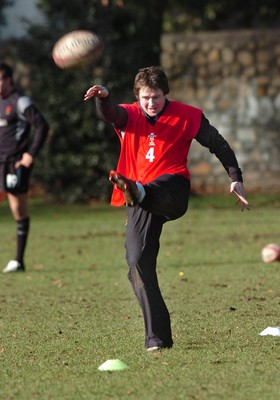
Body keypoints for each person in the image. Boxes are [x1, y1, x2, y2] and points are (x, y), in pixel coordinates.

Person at [84, 66, 249, 351]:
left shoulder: (188, 116)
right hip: (139, 198)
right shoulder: (130, 115)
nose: (151, 103)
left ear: (165, 94)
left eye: (157, 96)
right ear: (138, 97)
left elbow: (218, 145)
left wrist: (235, 178)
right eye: (146, 97)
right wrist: (103, 98)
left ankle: (139, 191)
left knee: (157, 185)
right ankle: (157, 339)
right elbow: (111, 114)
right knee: (137, 263)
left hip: (172, 191)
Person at [0, 62, 49, 273]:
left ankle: (18, 261)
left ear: (8, 80)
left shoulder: (20, 101)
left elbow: (42, 125)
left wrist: (30, 154)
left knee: (17, 208)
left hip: (14, 162)